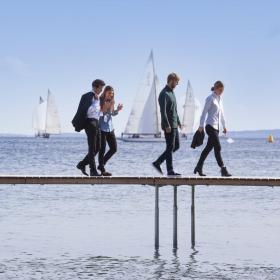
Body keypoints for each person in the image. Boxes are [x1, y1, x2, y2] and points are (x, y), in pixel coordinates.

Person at [194, 81, 232, 177]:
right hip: (209, 126)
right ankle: (223, 169)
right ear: (215, 88)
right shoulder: (210, 99)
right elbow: (204, 113)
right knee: (218, 147)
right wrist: (201, 126)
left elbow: (222, 114)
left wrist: (224, 126)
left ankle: (199, 166)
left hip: (217, 128)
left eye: (222, 91)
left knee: (208, 149)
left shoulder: (220, 99)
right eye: (220, 90)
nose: (221, 92)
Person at [72, 79, 105, 176]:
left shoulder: (99, 98)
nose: (101, 90)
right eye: (100, 88)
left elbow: (100, 111)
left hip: (97, 122)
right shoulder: (87, 96)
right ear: (95, 87)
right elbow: (83, 110)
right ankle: (93, 171)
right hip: (90, 122)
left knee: (98, 147)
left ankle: (82, 164)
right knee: (92, 148)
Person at [152, 73, 181, 176]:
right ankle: (170, 171)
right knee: (170, 147)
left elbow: (175, 110)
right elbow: (163, 111)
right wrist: (167, 125)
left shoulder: (172, 93)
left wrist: (178, 121)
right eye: (176, 82)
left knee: (176, 146)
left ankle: (158, 162)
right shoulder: (164, 94)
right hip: (168, 125)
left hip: (174, 124)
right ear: (171, 80)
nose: (177, 84)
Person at [98, 86, 123, 176]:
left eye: (112, 93)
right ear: (105, 92)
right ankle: (102, 169)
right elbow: (100, 113)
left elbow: (112, 113)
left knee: (114, 148)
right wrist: (105, 107)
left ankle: (101, 164)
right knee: (102, 149)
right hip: (101, 127)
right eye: (109, 93)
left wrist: (118, 110)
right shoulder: (100, 100)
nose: (111, 95)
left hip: (110, 127)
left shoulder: (112, 101)